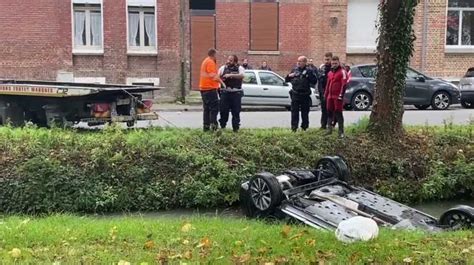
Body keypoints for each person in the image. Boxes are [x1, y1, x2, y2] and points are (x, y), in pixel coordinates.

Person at [285, 56, 318, 132]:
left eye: (300, 61)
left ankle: (304, 128)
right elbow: (286, 80)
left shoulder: (309, 71)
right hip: (295, 94)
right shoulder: (294, 70)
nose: (298, 62)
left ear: (305, 62)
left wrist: (309, 76)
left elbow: (314, 81)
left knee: (305, 113)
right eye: (298, 61)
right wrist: (289, 76)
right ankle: (294, 128)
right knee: (294, 113)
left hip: (305, 95)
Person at [218, 55, 245, 132]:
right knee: (223, 111)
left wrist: (230, 75)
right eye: (228, 60)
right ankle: (222, 127)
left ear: (235, 62)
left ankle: (235, 129)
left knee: (236, 112)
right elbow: (217, 77)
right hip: (225, 93)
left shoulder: (240, 68)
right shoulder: (223, 68)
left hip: (236, 94)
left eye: (231, 60)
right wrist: (222, 82)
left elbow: (242, 75)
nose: (228, 61)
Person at [199, 48, 224, 131]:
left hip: (204, 88)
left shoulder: (205, 61)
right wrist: (222, 83)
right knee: (214, 109)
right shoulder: (210, 62)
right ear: (213, 54)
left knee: (206, 109)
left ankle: (206, 128)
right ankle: (214, 128)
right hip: (210, 88)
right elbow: (213, 75)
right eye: (216, 55)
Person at [324, 56, 347, 138]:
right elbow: (328, 84)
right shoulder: (330, 73)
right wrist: (325, 95)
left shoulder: (342, 72)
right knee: (329, 111)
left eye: (335, 63)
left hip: (337, 96)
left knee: (338, 112)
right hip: (330, 96)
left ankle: (341, 131)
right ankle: (329, 129)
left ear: (338, 62)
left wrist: (341, 95)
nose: (334, 65)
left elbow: (344, 84)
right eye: (333, 63)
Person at [318, 52, 332, 130]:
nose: (326, 61)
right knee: (323, 110)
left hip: (330, 92)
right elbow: (320, 82)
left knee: (330, 110)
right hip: (323, 92)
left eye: (328, 59)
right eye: (325, 59)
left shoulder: (333, 69)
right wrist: (321, 92)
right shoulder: (322, 68)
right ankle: (323, 125)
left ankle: (330, 125)